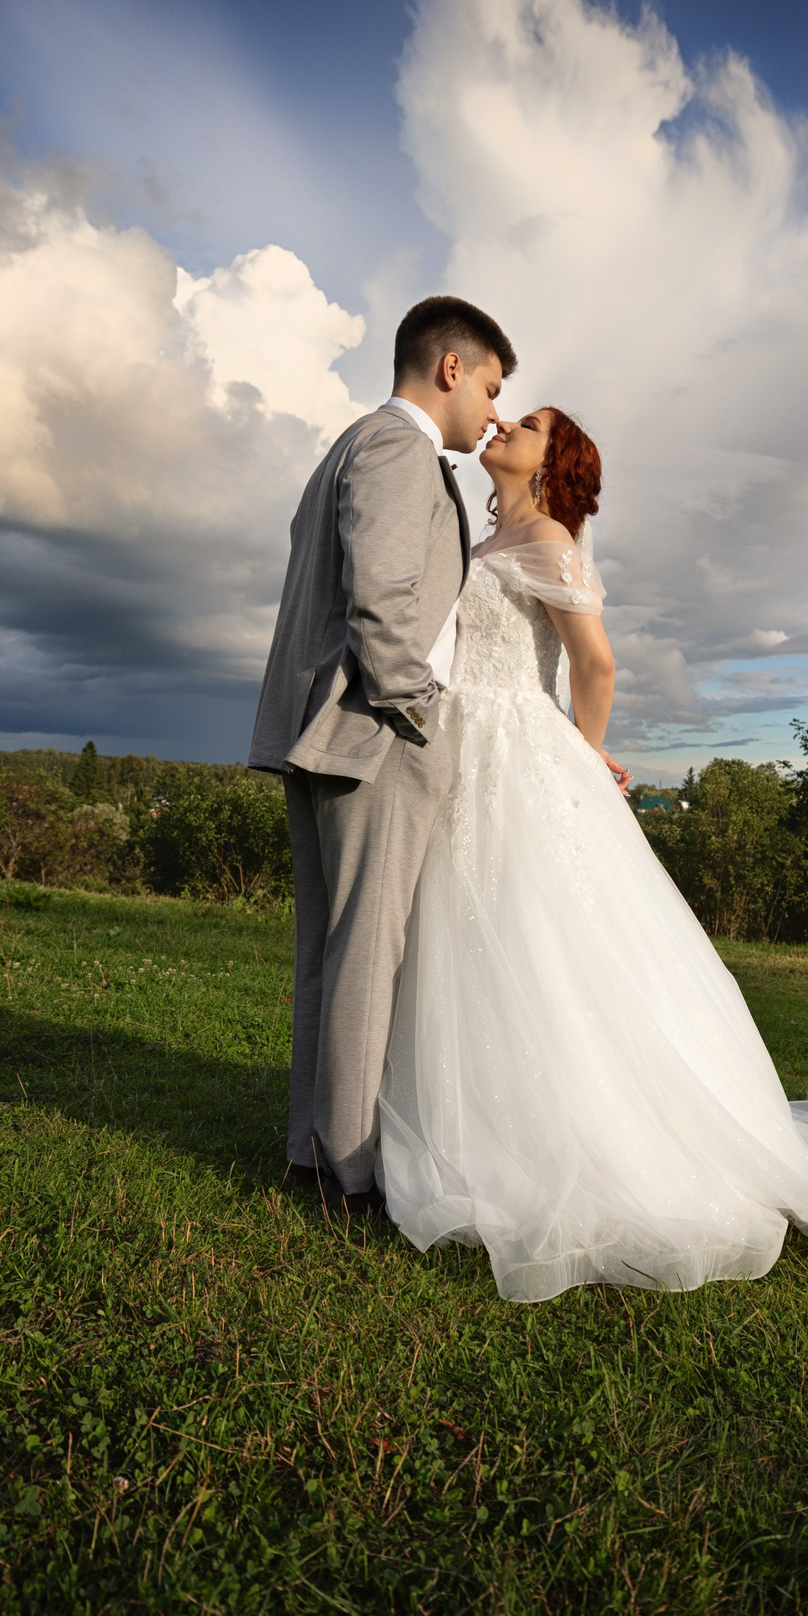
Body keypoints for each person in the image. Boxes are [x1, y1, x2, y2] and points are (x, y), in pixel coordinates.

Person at [375, 405, 808, 1301]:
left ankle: (567, 1134)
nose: (505, 421)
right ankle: (468, 1115)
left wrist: (582, 754)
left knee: (534, 933)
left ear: (559, 463)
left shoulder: (548, 536)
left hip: (518, 746)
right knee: (472, 930)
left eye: (532, 422)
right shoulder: (488, 536)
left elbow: (597, 662)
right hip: (464, 739)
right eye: (509, 412)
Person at [248, 296, 511, 1215]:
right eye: (490, 386)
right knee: (369, 953)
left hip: (325, 733)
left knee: (328, 953)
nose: (491, 412)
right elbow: (378, 601)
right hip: (376, 734)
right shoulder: (401, 448)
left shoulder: (348, 446)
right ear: (450, 369)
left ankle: (311, 1154)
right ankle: (351, 1174)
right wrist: (421, 711)